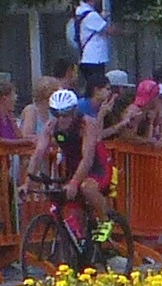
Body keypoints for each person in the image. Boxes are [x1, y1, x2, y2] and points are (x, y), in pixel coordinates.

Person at [27, 87, 112, 234]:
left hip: (97, 165)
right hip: (73, 166)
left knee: (86, 188)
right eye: (56, 114)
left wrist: (74, 183)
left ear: (74, 111)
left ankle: (105, 221)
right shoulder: (51, 126)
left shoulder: (86, 124)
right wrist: (27, 182)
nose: (61, 119)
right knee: (64, 198)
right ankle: (77, 237)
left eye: (66, 114)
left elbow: (87, 159)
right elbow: (38, 153)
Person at [70, 0, 112, 85]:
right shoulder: (92, 15)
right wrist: (124, 31)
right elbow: (108, 30)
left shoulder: (80, 12)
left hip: (85, 57)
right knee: (97, 86)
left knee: (90, 85)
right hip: (95, 58)